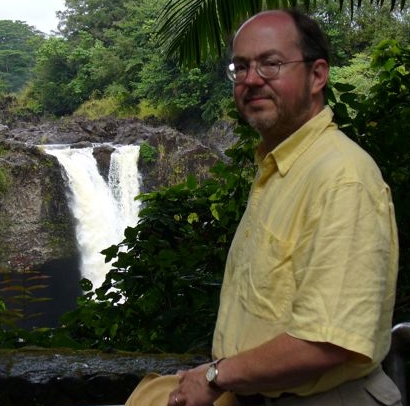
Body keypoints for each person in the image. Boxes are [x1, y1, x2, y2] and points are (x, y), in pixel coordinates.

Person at [167, 8, 402, 406]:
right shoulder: (281, 168)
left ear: (317, 75)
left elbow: (327, 341)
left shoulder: (342, 178)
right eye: (241, 67)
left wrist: (215, 376)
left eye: (271, 64)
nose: (251, 79)